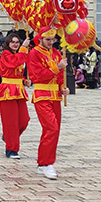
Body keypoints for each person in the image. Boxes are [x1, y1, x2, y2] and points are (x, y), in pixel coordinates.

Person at [28, 32, 68, 179]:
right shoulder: (34, 53)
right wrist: (57, 67)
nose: (51, 42)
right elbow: (38, 75)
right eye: (48, 40)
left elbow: (59, 76)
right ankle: (46, 163)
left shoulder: (56, 53)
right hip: (42, 95)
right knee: (51, 128)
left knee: (54, 130)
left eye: (52, 39)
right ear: (40, 39)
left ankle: (43, 162)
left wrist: (63, 87)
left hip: (55, 96)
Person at [0, 33, 30, 159]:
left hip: (18, 89)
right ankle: (11, 149)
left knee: (24, 119)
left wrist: (23, 80)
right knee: (11, 122)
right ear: (8, 44)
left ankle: (8, 137)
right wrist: (23, 49)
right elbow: (13, 64)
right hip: (7, 90)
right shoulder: (6, 54)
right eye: (13, 42)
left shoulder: (19, 54)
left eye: (17, 42)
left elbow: (16, 70)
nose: (15, 44)